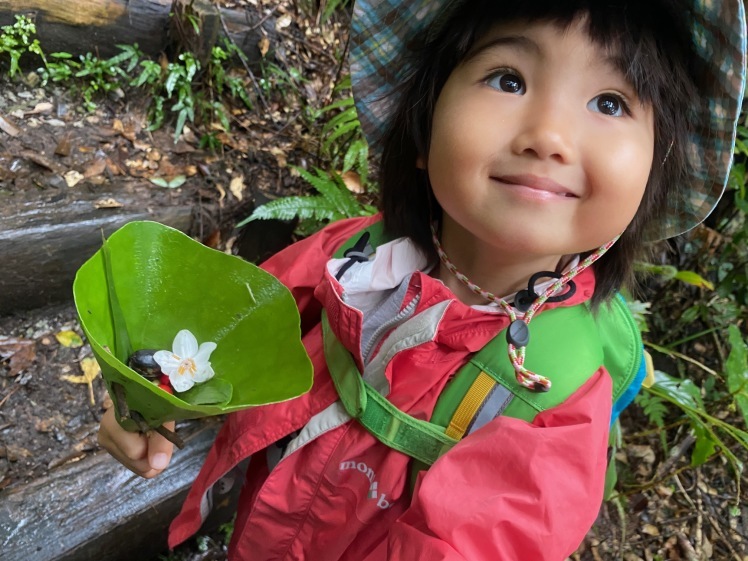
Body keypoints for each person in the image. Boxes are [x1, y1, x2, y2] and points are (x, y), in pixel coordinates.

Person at [98, 0, 747, 559]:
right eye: (508, 79)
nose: (549, 135)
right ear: (423, 124)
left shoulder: (558, 403)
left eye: (609, 101)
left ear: (653, 171)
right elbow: (227, 329)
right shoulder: (353, 257)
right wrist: (150, 395)